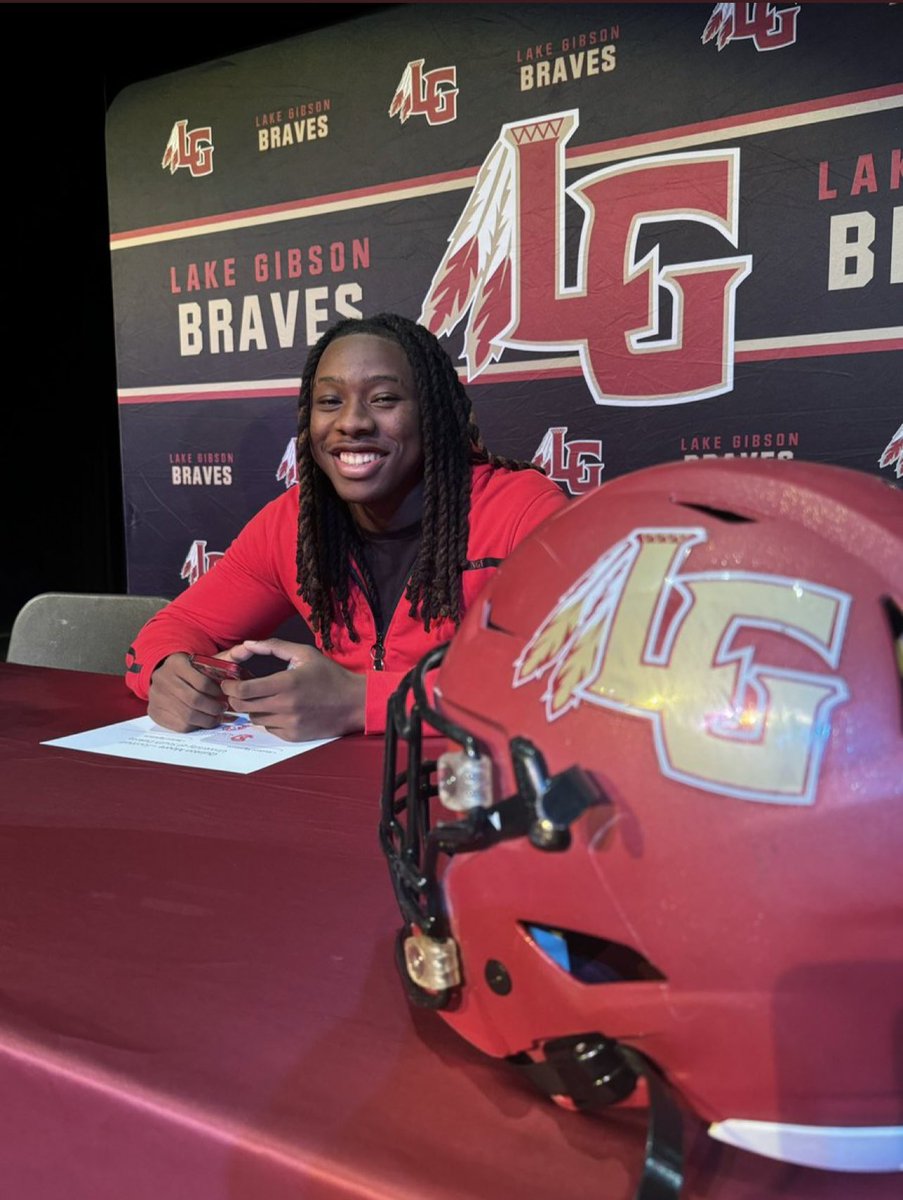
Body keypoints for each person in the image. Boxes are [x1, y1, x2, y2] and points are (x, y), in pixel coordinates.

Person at [125, 313, 568, 740]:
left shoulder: (522, 513)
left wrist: (363, 703)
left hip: (476, 787)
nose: (352, 422)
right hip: (338, 789)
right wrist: (167, 670)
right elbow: (176, 626)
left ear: (433, 414)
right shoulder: (299, 521)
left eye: (384, 399)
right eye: (330, 401)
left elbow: (579, 676)